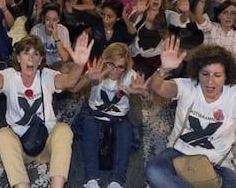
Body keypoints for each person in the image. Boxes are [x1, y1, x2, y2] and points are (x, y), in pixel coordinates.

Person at [0, 29, 94, 188]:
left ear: (41, 59)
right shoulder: (9, 76)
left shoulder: (47, 75)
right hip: (21, 147)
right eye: (26, 53)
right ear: (18, 57)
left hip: (46, 143)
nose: (31, 58)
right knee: (3, 134)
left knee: (63, 129)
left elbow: (69, 81)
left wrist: (79, 65)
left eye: (36, 54)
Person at [145, 36, 236, 187]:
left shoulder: (232, 95)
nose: (210, 81)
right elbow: (158, 87)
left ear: (226, 77)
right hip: (178, 153)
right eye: (205, 74)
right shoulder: (188, 87)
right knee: (154, 171)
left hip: (218, 163)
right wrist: (164, 69)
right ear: (197, 73)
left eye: (217, 75)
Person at [70, 43, 147, 188]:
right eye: (111, 64)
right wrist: (87, 78)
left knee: (125, 129)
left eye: (120, 67)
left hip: (119, 118)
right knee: (89, 125)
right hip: (94, 114)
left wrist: (142, 92)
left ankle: (117, 181)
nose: (115, 71)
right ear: (105, 60)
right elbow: (74, 89)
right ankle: (91, 180)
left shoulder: (130, 75)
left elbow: (147, 95)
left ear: (125, 67)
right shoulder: (97, 71)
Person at [30, 3, 71, 70]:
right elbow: (32, 54)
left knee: (68, 68)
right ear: (43, 19)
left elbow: (65, 58)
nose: (51, 23)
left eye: (54, 20)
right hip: (41, 63)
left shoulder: (63, 30)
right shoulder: (36, 31)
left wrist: (56, 38)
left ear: (58, 20)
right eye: (48, 19)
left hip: (58, 63)